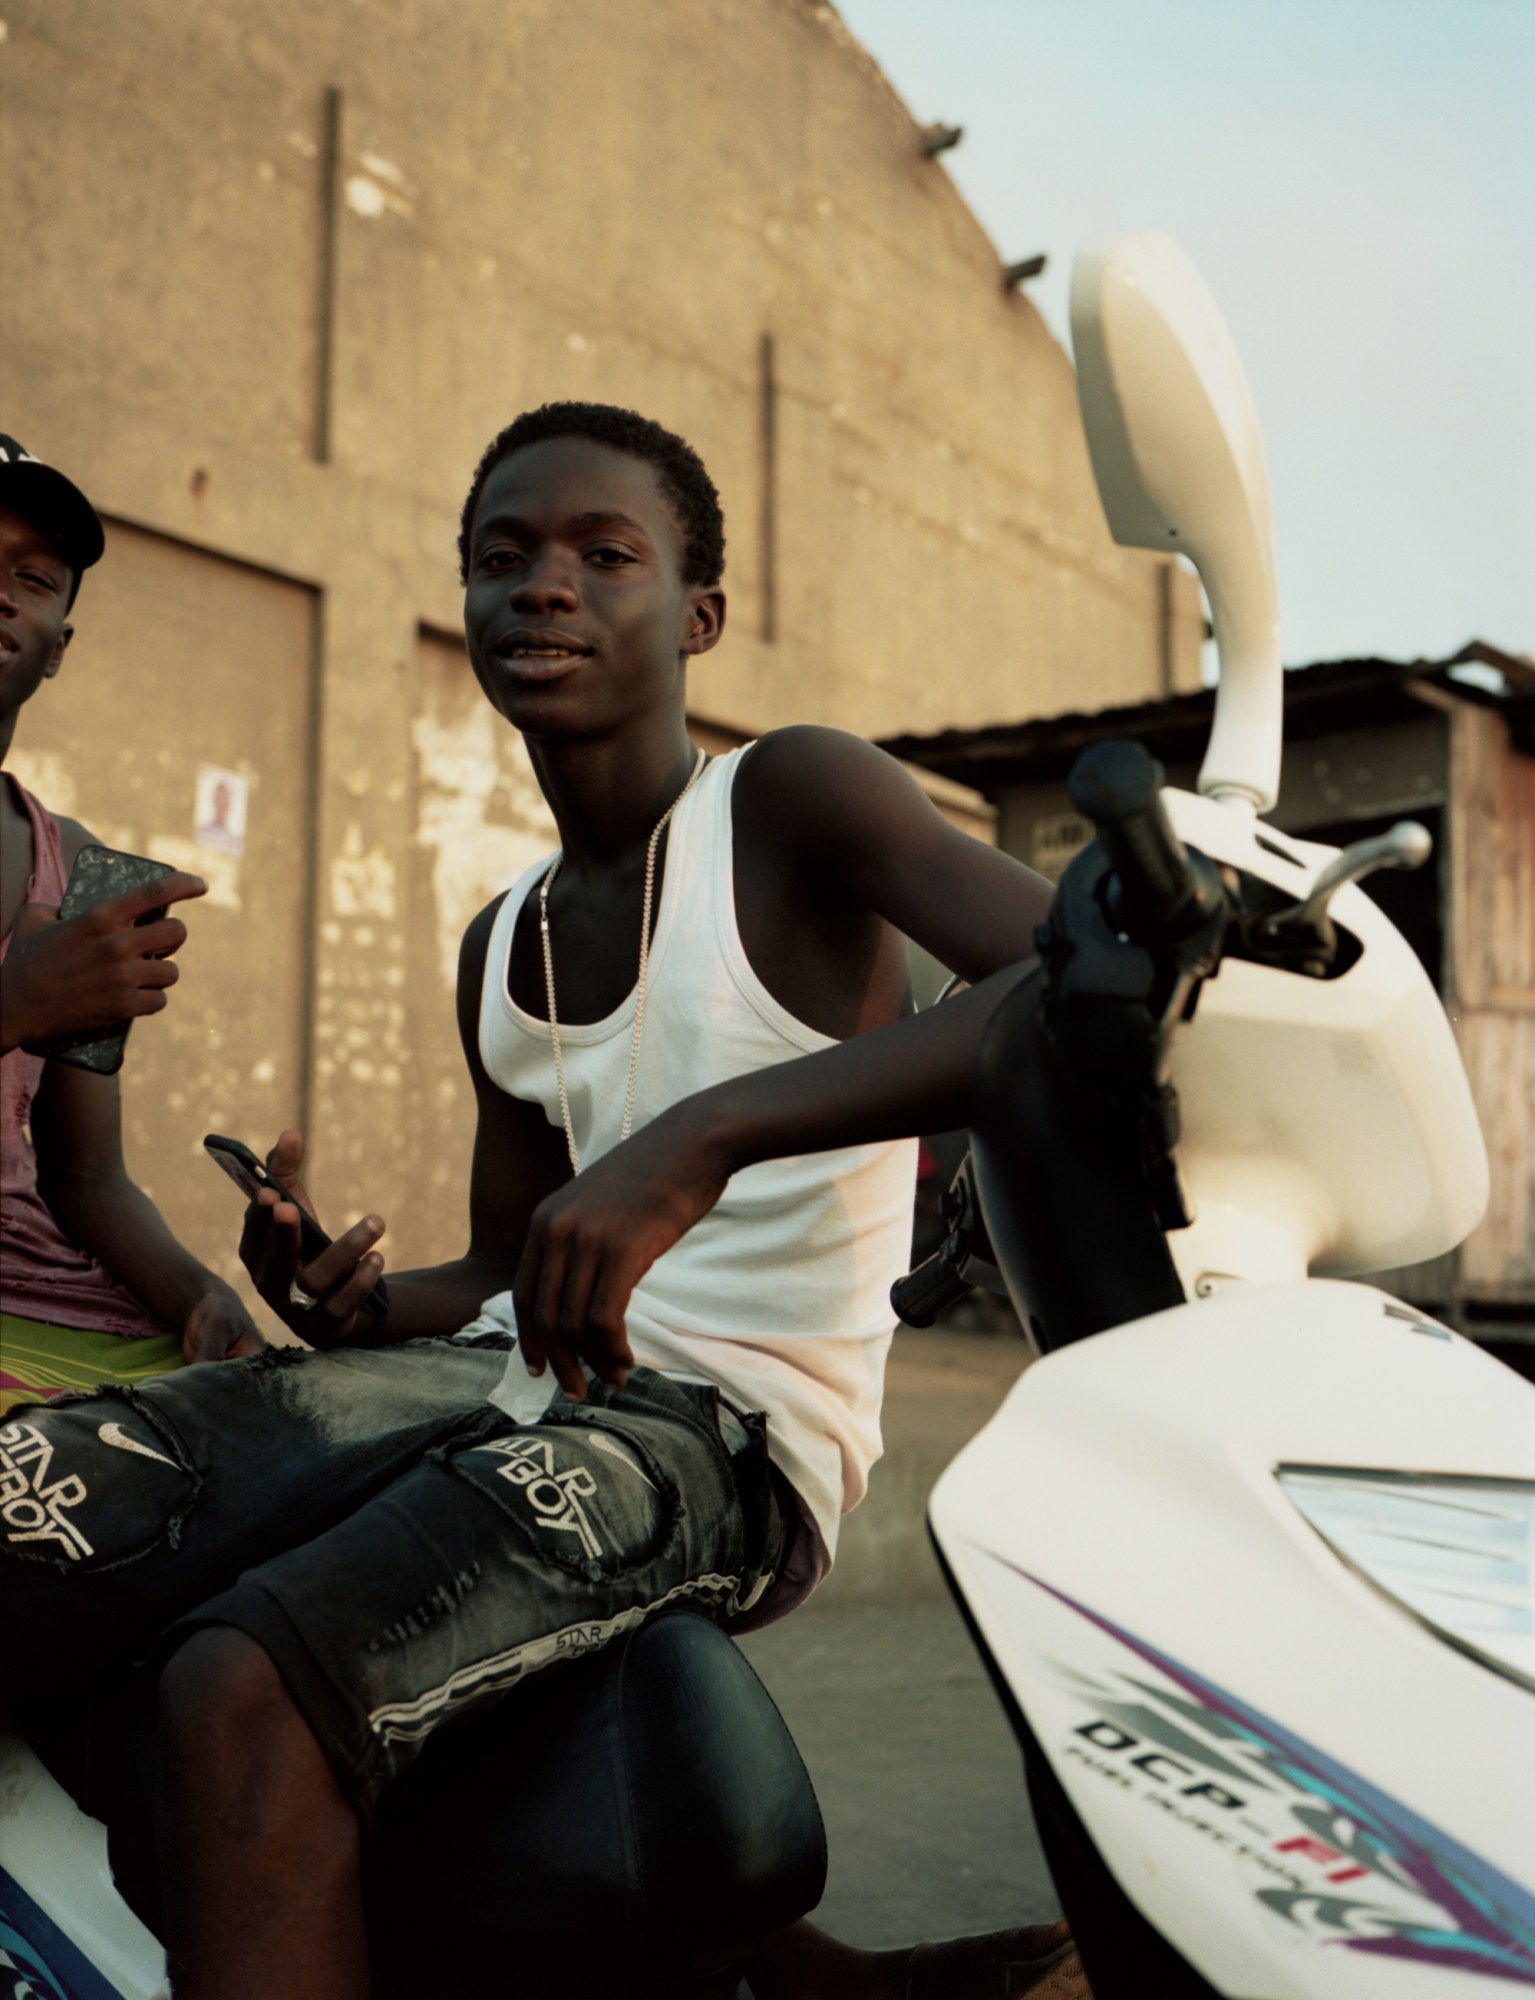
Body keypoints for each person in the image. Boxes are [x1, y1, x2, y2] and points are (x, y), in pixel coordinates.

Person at [2, 405, 1076, 1997]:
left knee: (246, 1682)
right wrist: (354, 1302)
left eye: (601, 554)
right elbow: (510, 1269)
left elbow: (1065, 978)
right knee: (27, 1505)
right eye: (501, 559)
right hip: (496, 1384)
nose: (544, 588)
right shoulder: (503, 939)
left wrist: (689, 1145)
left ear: (695, 616)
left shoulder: (787, 804)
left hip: (719, 1434)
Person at [0, 434, 262, 1412]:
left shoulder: (73, 870)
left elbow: (88, 1178)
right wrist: (14, 1000)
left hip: (47, 1303)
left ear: (60, 642)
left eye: (31, 578)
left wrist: (200, 1296)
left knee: (297, 1436)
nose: (2, 593)